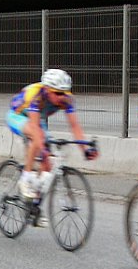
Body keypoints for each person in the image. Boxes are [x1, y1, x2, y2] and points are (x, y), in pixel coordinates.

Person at [6, 69, 98, 214]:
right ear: (47, 90)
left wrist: (85, 149)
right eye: (58, 93)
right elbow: (35, 128)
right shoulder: (36, 95)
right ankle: (25, 177)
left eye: (65, 92)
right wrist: (42, 149)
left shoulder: (67, 99)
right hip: (17, 116)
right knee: (39, 138)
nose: (62, 97)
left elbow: (75, 126)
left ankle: (33, 207)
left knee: (47, 164)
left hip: (37, 118)